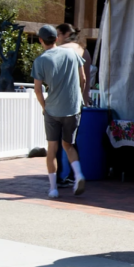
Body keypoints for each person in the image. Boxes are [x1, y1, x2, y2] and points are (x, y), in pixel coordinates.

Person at [32, 24, 87, 199]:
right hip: (72, 108)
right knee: (68, 145)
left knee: (52, 148)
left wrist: (44, 107)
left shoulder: (40, 61)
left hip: (53, 109)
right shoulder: (72, 54)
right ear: (56, 38)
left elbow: (38, 90)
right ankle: (78, 175)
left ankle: (53, 189)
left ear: (41, 40)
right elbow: (83, 79)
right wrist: (77, 98)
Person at [56, 23, 92, 105]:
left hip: (61, 101)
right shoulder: (84, 51)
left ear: (67, 34)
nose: (56, 39)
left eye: (58, 35)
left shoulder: (60, 50)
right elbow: (84, 78)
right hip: (80, 99)